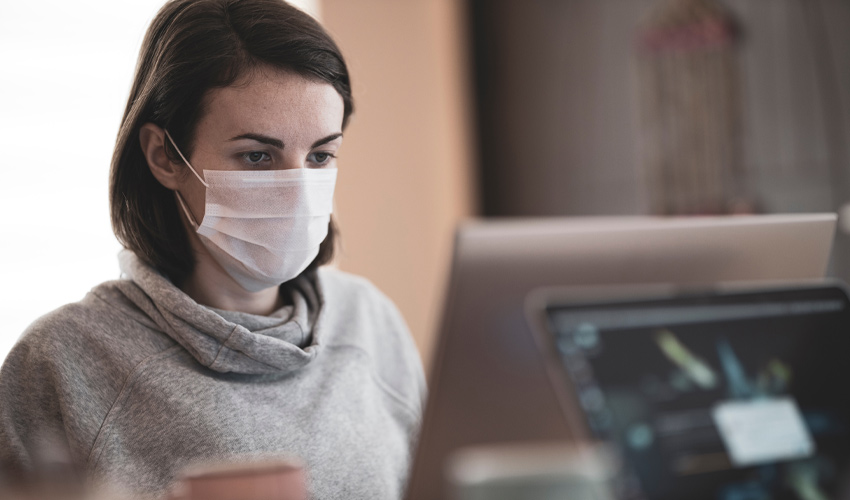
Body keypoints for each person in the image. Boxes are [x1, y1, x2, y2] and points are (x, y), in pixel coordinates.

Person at [0, 0, 426, 498]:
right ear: (164, 156)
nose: (297, 189)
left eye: (320, 155)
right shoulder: (62, 361)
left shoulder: (370, 323)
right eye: (256, 156)